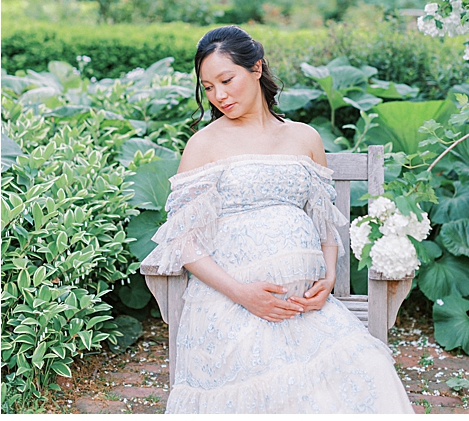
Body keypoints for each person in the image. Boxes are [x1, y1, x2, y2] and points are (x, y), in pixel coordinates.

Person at [144, 25, 413, 413]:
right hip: (231, 303)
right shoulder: (204, 144)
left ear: (256, 69)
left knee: (369, 368)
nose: (218, 96)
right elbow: (183, 241)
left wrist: (329, 278)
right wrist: (243, 294)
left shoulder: (304, 137)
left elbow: (323, 220)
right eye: (207, 87)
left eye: (226, 80)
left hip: (303, 306)